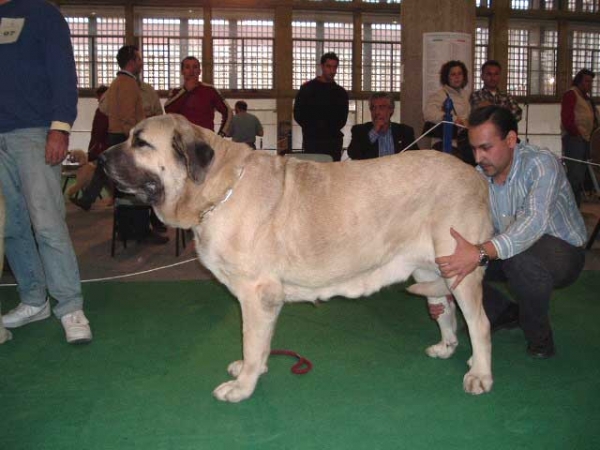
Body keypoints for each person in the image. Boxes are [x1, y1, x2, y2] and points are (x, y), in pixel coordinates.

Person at [432, 105, 587, 359]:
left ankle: (540, 339)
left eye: (486, 147)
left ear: (511, 139)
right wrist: (443, 291)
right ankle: (505, 313)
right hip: (508, 249)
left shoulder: (541, 164)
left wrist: (480, 253)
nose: (478, 157)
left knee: (520, 261)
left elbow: (532, 224)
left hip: (562, 253)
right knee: (451, 263)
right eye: (473, 149)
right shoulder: (478, 176)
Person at [0, 0, 92, 343]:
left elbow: (63, 72)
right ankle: (33, 300)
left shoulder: (41, 13)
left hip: (34, 133)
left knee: (48, 223)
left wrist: (60, 127)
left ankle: (70, 306)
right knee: (10, 227)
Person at [72, 45, 168, 244]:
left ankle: (127, 229)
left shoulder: (116, 83)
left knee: (125, 188)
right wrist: (136, 142)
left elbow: (106, 108)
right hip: (127, 139)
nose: (141, 63)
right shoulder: (129, 84)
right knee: (137, 187)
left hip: (117, 136)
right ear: (132, 61)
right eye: (139, 59)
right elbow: (127, 118)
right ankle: (139, 231)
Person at [294, 52, 349, 161]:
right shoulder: (307, 89)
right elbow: (298, 114)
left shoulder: (341, 93)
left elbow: (342, 119)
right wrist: (313, 129)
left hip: (333, 142)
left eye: (335, 67)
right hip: (312, 141)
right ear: (322, 66)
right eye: (329, 66)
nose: (332, 71)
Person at [164, 56, 232, 136]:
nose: (191, 71)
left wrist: (221, 134)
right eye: (187, 67)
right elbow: (168, 110)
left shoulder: (210, 90)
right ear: (182, 71)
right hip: (183, 141)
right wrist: (185, 90)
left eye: (195, 67)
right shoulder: (176, 92)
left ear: (199, 71)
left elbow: (228, 112)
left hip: (206, 141)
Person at [560, 68, 599, 207]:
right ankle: (568, 206)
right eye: (587, 81)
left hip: (586, 139)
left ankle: (576, 206)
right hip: (574, 139)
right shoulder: (571, 94)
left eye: (591, 82)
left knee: (581, 174)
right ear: (579, 81)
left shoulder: (587, 99)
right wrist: (575, 133)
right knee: (574, 175)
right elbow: (567, 118)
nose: (589, 84)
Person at [423, 60, 472, 164]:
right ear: (447, 77)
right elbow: (428, 114)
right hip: (445, 144)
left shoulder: (466, 95)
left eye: (460, 74)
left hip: (464, 143)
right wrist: (454, 119)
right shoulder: (440, 95)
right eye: (453, 74)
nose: (457, 77)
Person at [347, 92, 419, 160]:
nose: (376, 112)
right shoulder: (359, 130)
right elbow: (353, 154)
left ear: (391, 110)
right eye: (373, 108)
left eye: (381, 107)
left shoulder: (404, 131)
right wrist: (374, 131)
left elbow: (415, 157)